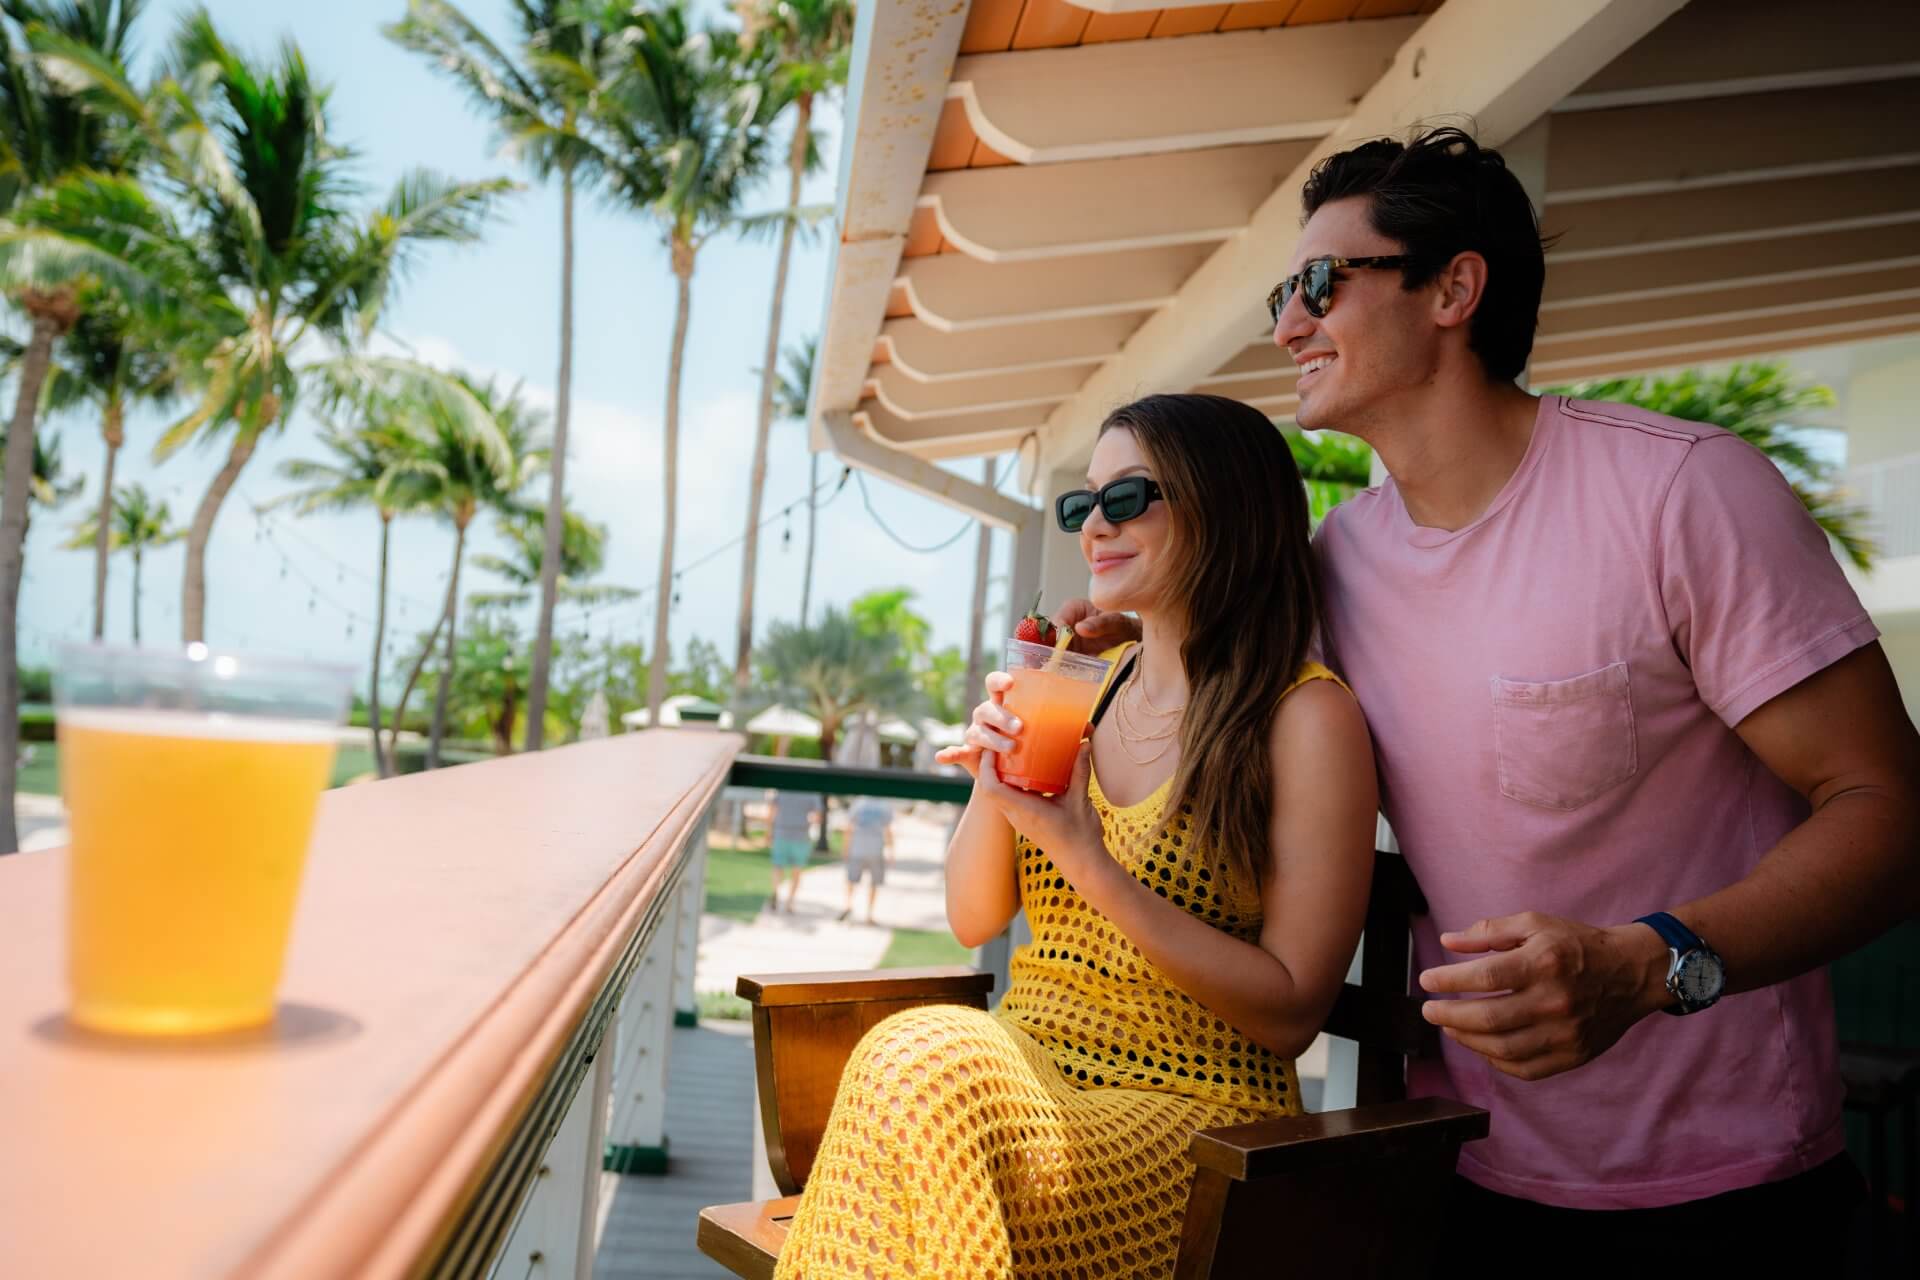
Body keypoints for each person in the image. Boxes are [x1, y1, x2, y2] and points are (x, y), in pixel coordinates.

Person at [1059, 126, 1920, 1269]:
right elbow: (1207, 654)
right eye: (1284, 290)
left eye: (1321, 282)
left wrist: (1644, 963)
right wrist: (1130, 618)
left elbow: (1888, 808)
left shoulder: (1682, 494)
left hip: (1732, 1194)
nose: (1286, 326)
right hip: (1452, 1168)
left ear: (1455, 287)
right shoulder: (1335, 569)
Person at [769, 394, 1378, 1279]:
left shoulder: (1304, 716)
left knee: (918, 1068)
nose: (1093, 525)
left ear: (1226, 507)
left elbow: (1291, 1012)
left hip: (1194, 1115)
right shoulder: (1084, 683)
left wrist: (1088, 859)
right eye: (1081, 503)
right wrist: (996, 778)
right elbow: (975, 915)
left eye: (1126, 498)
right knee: (916, 1070)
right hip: (1029, 1073)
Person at [838, 796, 894, 925]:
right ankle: (869, 914)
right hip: (875, 850)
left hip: (858, 849)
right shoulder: (884, 805)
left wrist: (846, 848)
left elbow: (849, 827)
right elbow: (888, 830)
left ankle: (848, 905)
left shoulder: (859, 803)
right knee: (873, 883)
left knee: (852, 880)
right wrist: (891, 851)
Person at [767, 789, 816, 914]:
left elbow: (772, 811)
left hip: (781, 833)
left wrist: (769, 832)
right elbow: (816, 816)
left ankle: (775, 892)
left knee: (778, 867)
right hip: (801, 835)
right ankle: (790, 902)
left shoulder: (783, 789)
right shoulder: (812, 792)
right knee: (797, 871)